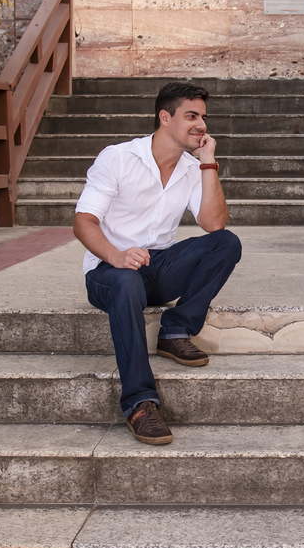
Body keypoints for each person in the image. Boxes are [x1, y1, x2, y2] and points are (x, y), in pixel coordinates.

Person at [74, 82, 241, 446]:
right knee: (126, 282)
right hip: (109, 273)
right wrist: (116, 256)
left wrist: (207, 162)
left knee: (226, 243)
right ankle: (139, 403)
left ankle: (175, 330)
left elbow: (214, 224)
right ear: (165, 118)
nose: (201, 125)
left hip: (157, 267)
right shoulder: (118, 158)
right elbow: (83, 221)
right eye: (191, 116)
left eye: (203, 118)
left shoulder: (189, 167)